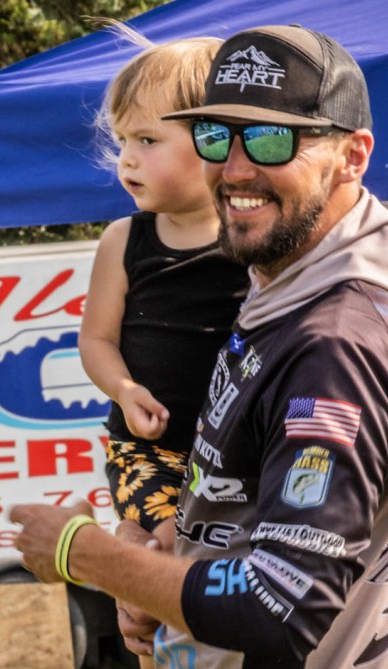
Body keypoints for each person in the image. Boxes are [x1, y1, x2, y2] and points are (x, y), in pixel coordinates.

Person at [12, 24, 388, 669]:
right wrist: (157, 574)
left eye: (271, 139)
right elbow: (241, 510)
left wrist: (84, 552)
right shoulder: (282, 291)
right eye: (216, 136)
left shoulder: (335, 345)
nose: (236, 169)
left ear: (352, 157)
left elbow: (282, 603)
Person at [81, 33, 249, 550]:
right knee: (176, 545)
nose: (126, 160)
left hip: (243, 455)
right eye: (122, 140)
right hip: (149, 455)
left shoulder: (255, 239)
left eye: (147, 141)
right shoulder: (123, 241)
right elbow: (96, 340)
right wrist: (124, 390)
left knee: (238, 553)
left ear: (214, 142)